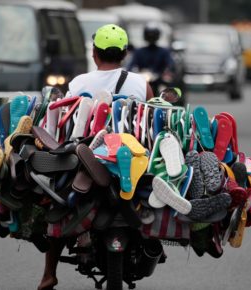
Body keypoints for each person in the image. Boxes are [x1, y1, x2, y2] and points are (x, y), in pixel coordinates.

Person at [38, 23, 153, 290]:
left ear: (94, 53)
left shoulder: (79, 83)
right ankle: (149, 239)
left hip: (86, 158)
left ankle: (48, 274)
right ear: (124, 54)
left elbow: (65, 122)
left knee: (60, 206)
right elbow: (151, 122)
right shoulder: (140, 83)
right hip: (131, 157)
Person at [126, 22, 175, 94]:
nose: (151, 38)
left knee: (167, 90)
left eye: (153, 36)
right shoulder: (139, 52)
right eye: (149, 36)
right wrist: (130, 73)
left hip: (159, 79)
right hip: (142, 78)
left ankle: (166, 103)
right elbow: (131, 65)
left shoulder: (163, 52)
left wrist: (167, 71)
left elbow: (170, 64)